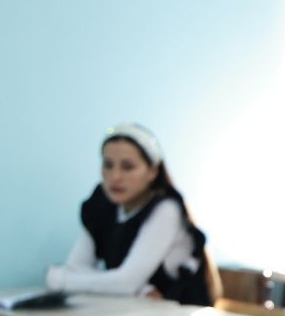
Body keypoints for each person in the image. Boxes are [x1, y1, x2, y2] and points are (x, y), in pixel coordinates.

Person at [46, 123, 218, 305]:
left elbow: (125, 282)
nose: (115, 177)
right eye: (108, 165)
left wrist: (60, 279)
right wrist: (139, 289)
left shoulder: (166, 209)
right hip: (133, 313)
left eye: (127, 167)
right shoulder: (100, 205)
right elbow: (75, 267)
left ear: (152, 171)